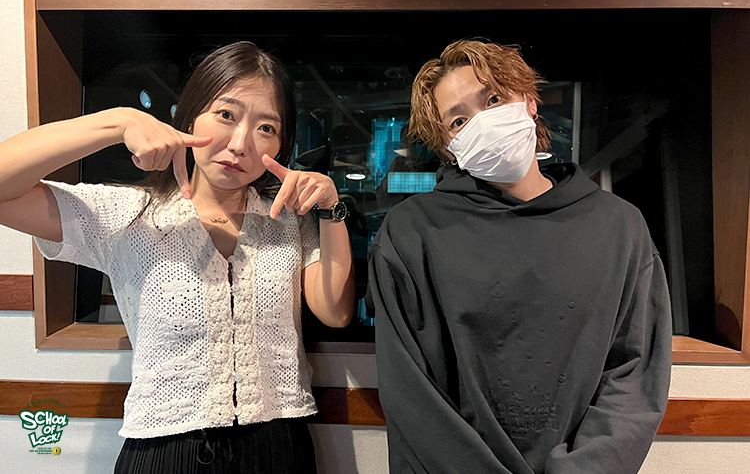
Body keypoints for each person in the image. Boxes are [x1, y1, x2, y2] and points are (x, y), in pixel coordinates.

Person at [0, 41, 355, 473]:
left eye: (266, 127)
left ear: (280, 144)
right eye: (226, 115)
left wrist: (331, 209)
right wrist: (119, 121)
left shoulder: (287, 222)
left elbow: (335, 311)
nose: (240, 143)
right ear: (189, 119)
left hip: (277, 447)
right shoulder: (128, 215)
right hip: (165, 450)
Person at [367, 39, 671, 474]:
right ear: (449, 146)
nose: (482, 122)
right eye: (459, 120)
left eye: (493, 99)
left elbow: (634, 373)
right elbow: (410, 393)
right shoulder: (410, 233)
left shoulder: (620, 227)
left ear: (529, 101)